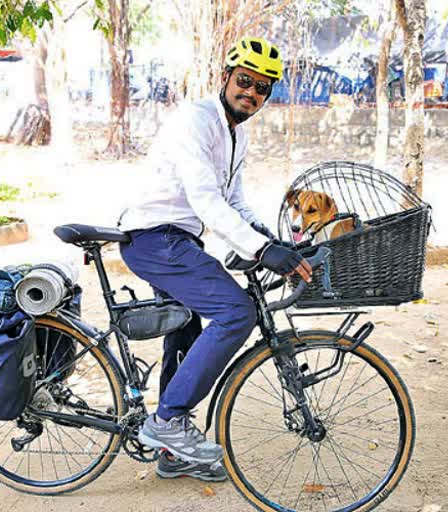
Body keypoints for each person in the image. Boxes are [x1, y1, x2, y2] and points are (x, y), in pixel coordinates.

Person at [117, 36, 312, 480]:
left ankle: (172, 450)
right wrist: (263, 251)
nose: (252, 93)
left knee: (184, 329)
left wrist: (270, 238)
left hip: (177, 240)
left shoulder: (235, 133)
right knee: (235, 311)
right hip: (154, 237)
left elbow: (234, 203)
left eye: (263, 88)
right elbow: (205, 200)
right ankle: (167, 421)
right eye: (245, 81)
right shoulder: (196, 120)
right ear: (224, 77)